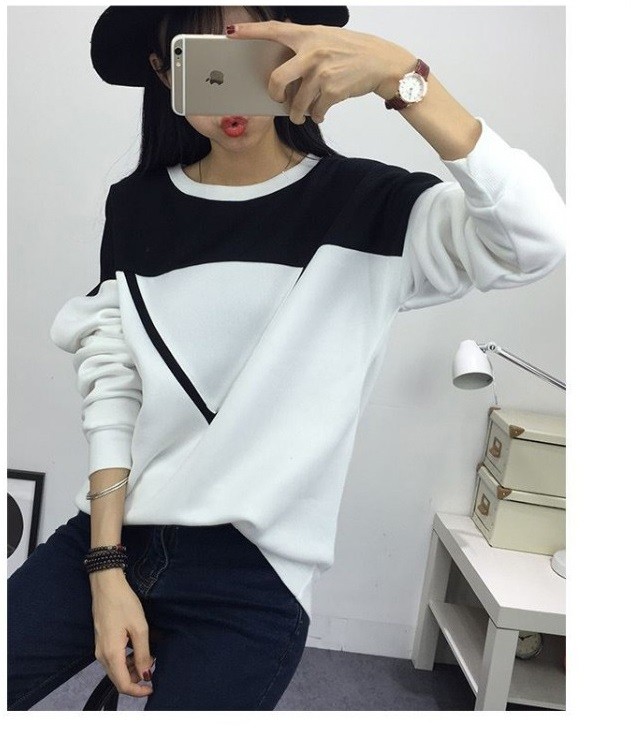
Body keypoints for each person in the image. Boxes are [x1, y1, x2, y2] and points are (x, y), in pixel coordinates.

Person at [7, 4, 566, 711]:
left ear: (292, 52)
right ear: (164, 74)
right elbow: (114, 387)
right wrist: (104, 566)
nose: (227, 84)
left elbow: (535, 239)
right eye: (197, 57)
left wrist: (402, 77)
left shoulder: (371, 206)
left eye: (249, 48)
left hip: (253, 574)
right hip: (115, 534)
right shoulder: (135, 206)